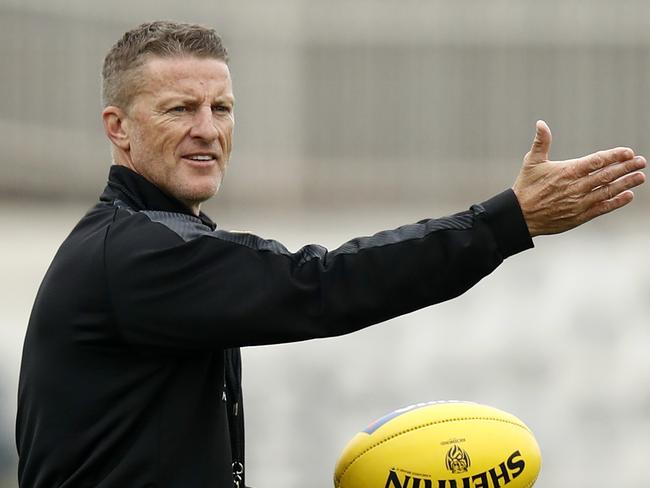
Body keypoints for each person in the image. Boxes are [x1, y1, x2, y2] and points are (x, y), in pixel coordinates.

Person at [15, 20, 645, 488]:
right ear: (117, 127)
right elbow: (320, 285)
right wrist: (508, 222)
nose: (207, 128)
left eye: (222, 108)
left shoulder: (150, 241)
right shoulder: (137, 254)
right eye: (180, 108)